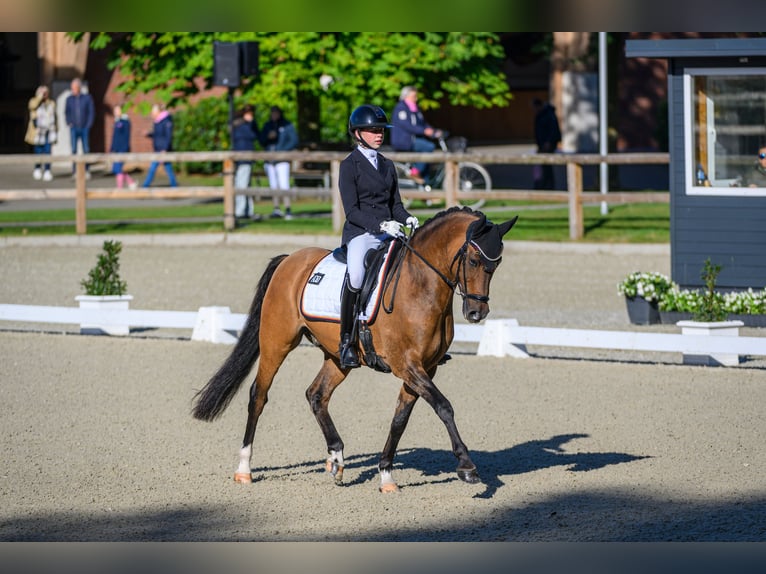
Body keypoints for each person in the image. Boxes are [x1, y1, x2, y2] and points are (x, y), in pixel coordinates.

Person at [337, 104, 420, 369]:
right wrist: (382, 225)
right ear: (358, 133)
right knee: (358, 276)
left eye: (381, 130)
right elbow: (352, 211)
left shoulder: (387, 165)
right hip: (362, 233)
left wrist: (405, 217)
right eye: (373, 130)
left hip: (390, 231)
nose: (379, 134)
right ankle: (346, 341)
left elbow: (395, 204)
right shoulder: (349, 166)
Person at [390, 86, 444, 185]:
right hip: (403, 141)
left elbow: (422, 123)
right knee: (429, 146)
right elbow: (407, 126)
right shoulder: (401, 108)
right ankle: (415, 172)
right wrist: (424, 131)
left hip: (413, 140)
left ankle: (426, 191)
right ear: (406, 96)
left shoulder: (415, 108)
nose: (416, 98)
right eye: (414, 96)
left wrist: (433, 131)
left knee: (427, 161)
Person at [259, 105, 298, 220]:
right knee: (273, 185)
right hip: (269, 159)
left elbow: (294, 140)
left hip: (282, 159)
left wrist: (282, 151)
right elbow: (261, 140)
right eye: (272, 113)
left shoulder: (287, 125)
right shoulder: (267, 125)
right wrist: (268, 137)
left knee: (284, 184)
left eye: (276, 113)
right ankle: (276, 208)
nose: (274, 115)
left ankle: (288, 209)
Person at [232, 104, 260, 219]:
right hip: (242, 158)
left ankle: (246, 210)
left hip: (246, 159)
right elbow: (252, 135)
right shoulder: (241, 126)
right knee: (241, 185)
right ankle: (241, 211)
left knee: (245, 185)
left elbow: (257, 136)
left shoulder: (247, 125)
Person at [24, 85, 57, 182]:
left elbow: (54, 116)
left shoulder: (51, 103)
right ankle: (37, 168)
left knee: (48, 152)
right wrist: (39, 97)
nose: (44, 95)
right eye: (43, 93)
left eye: (45, 93)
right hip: (38, 132)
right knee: (38, 151)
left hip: (48, 131)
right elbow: (32, 106)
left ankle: (47, 170)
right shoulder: (34, 101)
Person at [64, 77, 95, 178]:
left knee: (86, 149)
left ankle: (86, 170)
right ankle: (74, 171)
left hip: (84, 127)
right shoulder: (69, 99)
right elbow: (67, 112)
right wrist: (69, 122)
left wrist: (88, 125)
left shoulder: (87, 98)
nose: (72, 90)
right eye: (71, 88)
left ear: (79, 88)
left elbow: (91, 112)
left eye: (74, 88)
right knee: (73, 150)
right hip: (74, 128)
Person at [142, 104, 178, 188]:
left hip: (163, 150)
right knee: (168, 168)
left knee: (153, 168)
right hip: (157, 148)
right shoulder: (157, 122)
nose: (152, 113)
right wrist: (148, 134)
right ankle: (174, 186)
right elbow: (157, 134)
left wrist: (165, 149)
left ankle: (145, 186)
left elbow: (168, 136)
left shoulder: (166, 121)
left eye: (154, 111)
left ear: (159, 111)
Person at [532, 98, 562, 190]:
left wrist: (548, 142)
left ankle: (548, 185)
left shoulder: (548, 114)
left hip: (548, 144)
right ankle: (544, 185)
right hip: (542, 144)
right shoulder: (540, 115)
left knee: (547, 165)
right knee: (544, 165)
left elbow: (553, 130)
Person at [109, 104, 138, 190]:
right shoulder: (117, 122)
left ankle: (120, 187)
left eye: (117, 110)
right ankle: (131, 182)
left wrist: (125, 148)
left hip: (122, 149)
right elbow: (115, 137)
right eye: (115, 111)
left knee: (118, 168)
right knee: (117, 168)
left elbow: (125, 137)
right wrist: (112, 148)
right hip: (116, 149)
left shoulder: (125, 122)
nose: (115, 112)